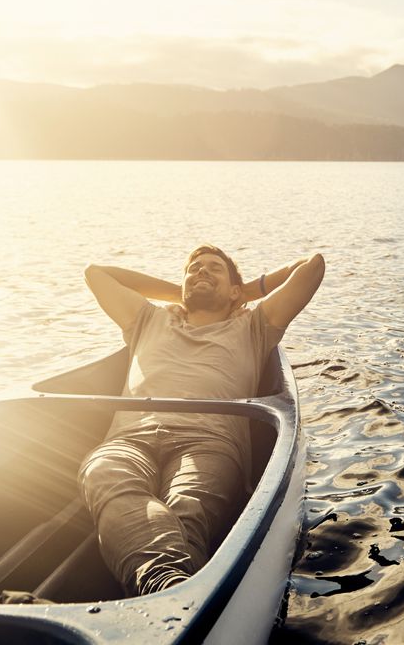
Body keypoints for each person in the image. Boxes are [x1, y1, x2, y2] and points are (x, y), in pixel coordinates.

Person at [78, 245, 325, 596]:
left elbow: (312, 267)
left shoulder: (254, 324)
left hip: (209, 443)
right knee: (104, 471)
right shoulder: (147, 318)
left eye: (214, 269)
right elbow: (96, 273)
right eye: (193, 268)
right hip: (130, 439)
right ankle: (171, 589)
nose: (201, 272)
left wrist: (244, 294)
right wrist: (185, 289)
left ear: (235, 290)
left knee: (187, 506)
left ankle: (162, 585)